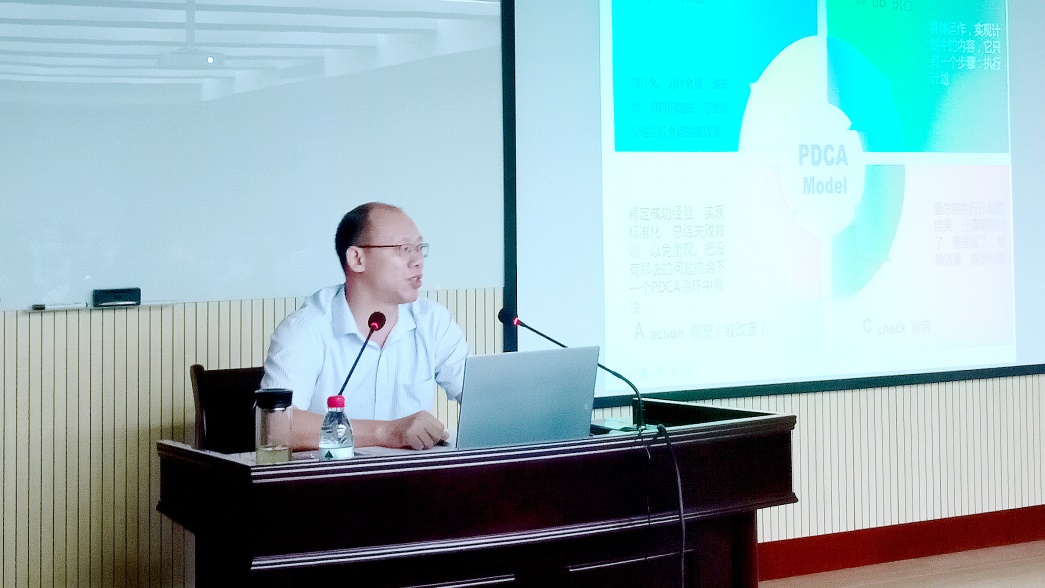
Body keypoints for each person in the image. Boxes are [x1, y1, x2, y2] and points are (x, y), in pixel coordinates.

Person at [260, 202, 468, 450]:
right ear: (357, 259)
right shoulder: (305, 329)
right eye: (403, 249)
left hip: (413, 474)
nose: (417, 261)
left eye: (419, 248)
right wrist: (386, 432)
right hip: (334, 474)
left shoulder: (433, 322)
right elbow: (275, 426)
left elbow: (485, 401)